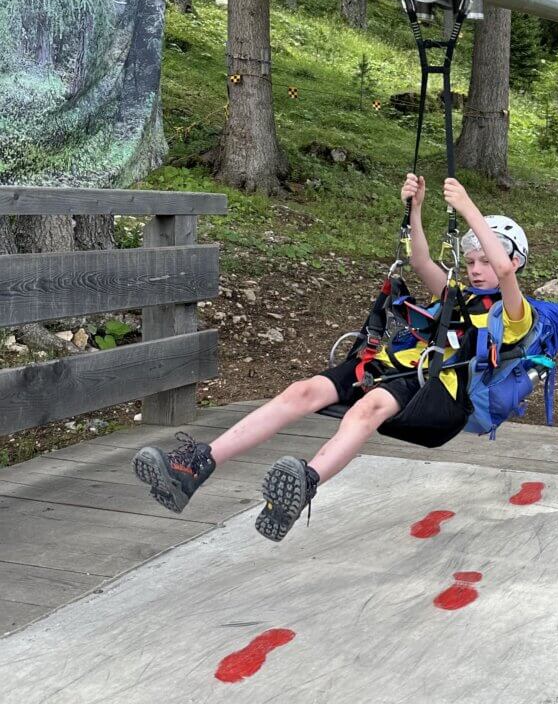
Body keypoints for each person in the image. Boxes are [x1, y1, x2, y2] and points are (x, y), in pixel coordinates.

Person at [132, 174, 533, 542]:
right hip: (389, 367)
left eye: (486, 262)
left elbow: (502, 269)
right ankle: (195, 467)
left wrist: (466, 208)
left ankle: (304, 484)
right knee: (302, 391)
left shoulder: (515, 314)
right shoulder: (456, 294)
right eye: (471, 262)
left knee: (369, 408)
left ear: (514, 263)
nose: (478, 270)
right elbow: (420, 261)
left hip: (435, 390)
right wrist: (415, 208)